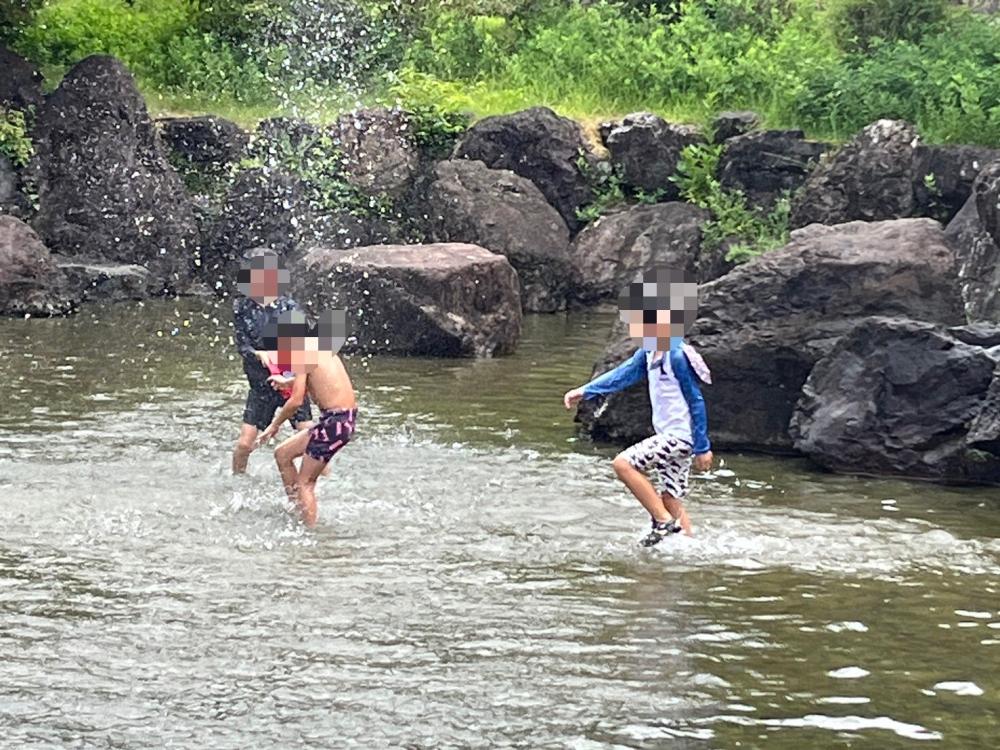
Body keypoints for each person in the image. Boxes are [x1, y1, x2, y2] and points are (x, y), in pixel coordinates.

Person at [563, 267, 714, 545]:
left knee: (623, 464)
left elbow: (696, 400)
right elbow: (622, 375)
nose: (632, 327)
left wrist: (702, 446)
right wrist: (586, 391)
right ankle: (691, 546)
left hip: (679, 438)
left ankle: (662, 522)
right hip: (670, 437)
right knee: (670, 496)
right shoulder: (648, 353)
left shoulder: (677, 355)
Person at [258, 309, 356, 527]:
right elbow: (324, 385)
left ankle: (310, 534)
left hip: (334, 422)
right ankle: (297, 508)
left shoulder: (303, 354)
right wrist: (288, 382)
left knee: (306, 482)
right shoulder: (322, 347)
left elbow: (295, 402)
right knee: (283, 454)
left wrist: (274, 426)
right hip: (343, 420)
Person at [231, 248, 313, 474]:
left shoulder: (289, 308)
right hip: (261, 385)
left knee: (310, 439)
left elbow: (305, 348)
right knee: (244, 445)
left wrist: (284, 361)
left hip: (289, 382)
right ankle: (237, 480)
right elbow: (242, 345)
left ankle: (321, 481)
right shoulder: (242, 308)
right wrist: (258, 354)